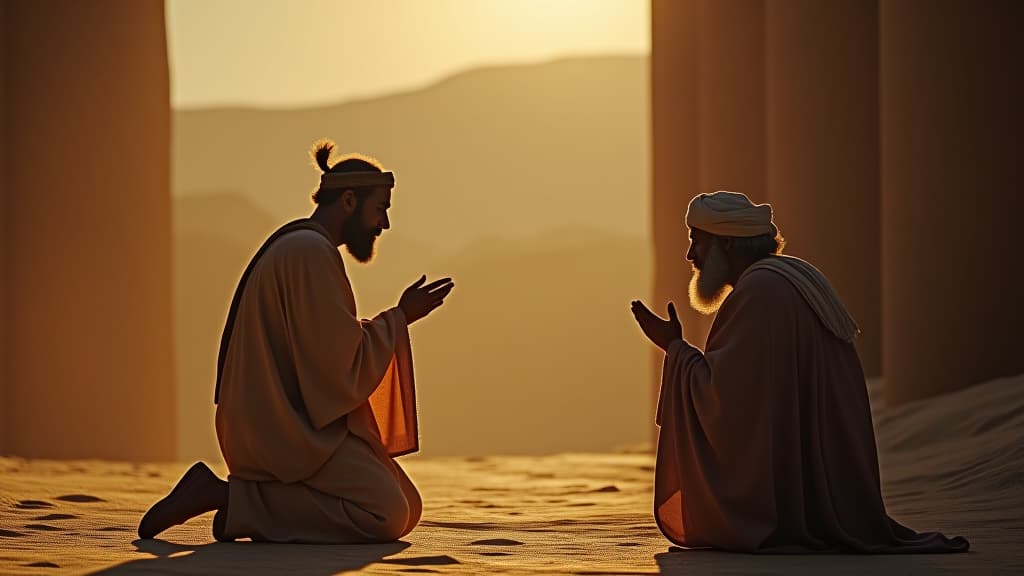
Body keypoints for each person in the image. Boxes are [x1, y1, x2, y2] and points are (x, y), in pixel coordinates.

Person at [138, 140, 454, 543]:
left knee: (408, 506)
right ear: (349, 201)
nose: (384, 224)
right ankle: (229, 498)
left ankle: (244, 505)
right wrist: (400, 317)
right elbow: (337, 369)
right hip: (282, 428)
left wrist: (393, 322)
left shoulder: (307, 247)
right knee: (386, 514)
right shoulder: (309, 253)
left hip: (291, 418)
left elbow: (326, 353)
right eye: (380, 209)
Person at [630, 190, 968, 553]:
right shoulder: (792, 277)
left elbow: (727, 401)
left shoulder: (761, 291)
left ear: (726, 243)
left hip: (796, 498)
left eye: (697, 241)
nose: (690, 255)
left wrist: (675, 348)